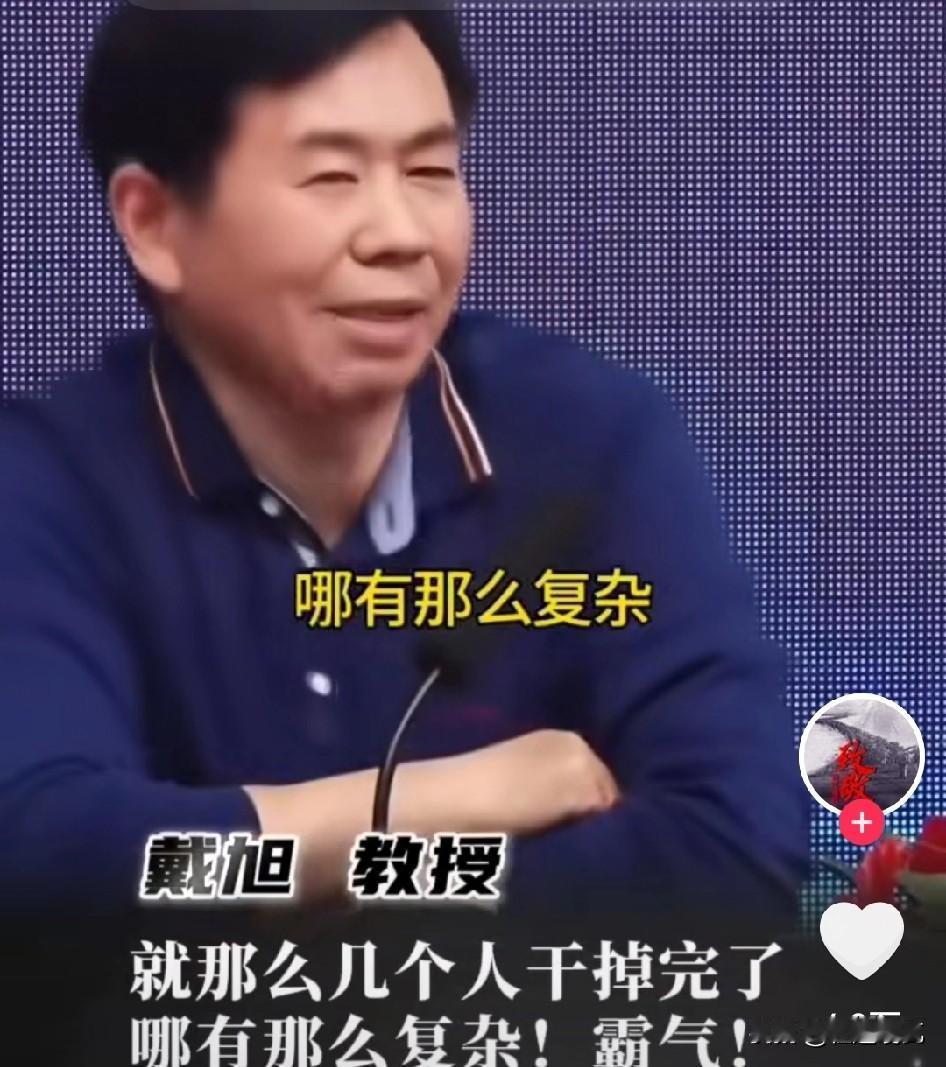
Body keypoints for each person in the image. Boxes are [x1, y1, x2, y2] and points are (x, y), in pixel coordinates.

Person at [0, 4, 808, 922]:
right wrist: (457, 799)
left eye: (430, 171)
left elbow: (734, 854)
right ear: (155, 222)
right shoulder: (45, 481)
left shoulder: (595, 442)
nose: (401, 234)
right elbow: (45, 869)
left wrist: (347, 869)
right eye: (332, 176)